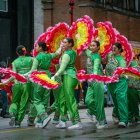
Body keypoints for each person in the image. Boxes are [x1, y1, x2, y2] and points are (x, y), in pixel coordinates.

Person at [2, 45, 37, 127]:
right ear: (25, 52)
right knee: (23, 103)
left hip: (17, 84)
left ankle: (12, 112)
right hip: (26, 83)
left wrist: (6, 82)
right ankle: (18, 122)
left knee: (14, 101)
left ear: (17, 53)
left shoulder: (14, 62)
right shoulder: (31, 59)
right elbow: (35, 69)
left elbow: (13, 75)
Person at [51, 38, 82, 129]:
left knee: (69, 98)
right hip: (67, 76)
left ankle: (77, 122)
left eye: (65, 42)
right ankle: (63, 120)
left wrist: (55, 75)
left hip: (69, 76)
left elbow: (62, 68)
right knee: (62, 98)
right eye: (62, 42)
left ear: (70, 44)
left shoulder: (67, 54)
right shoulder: (71, 52)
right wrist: (60, 50)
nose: (62, 43)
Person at [31, 41, 62, 128]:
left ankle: (43, 117)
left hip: (39, 75)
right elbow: (57, 53)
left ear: (40, 47)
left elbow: (33, 70)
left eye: (36, 46)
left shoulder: (37, 57)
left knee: (37, 98)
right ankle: (40, 122)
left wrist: (25, 75)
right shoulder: (49, 55)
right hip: (48, 75)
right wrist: (61, 46)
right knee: (45, 98)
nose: (36, 48)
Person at [105, 42, 128, 128]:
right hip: (111, 82)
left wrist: (117, 74)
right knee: (116, 100)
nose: (113, 49)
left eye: (115, 48)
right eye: (112, 47)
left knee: (121, 99)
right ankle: (116, 113)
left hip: (120, 81)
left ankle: (124, 120)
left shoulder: (121, 60)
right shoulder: (110, 55)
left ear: (119, 49)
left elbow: (122, 71)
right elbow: (103, 60)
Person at [85, 40, 107, 129]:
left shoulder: (97, 56)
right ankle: (92, 112)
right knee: (88, 100)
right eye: (91, 45)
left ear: (98, 47)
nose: (92, 47)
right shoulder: (90, 53)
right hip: (91, 81)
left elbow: (96, 67)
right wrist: (79, 38)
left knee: (99, 102)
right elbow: (84, 47)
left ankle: (102, 122)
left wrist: (93, 76)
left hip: (97, 80)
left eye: (94, 45)